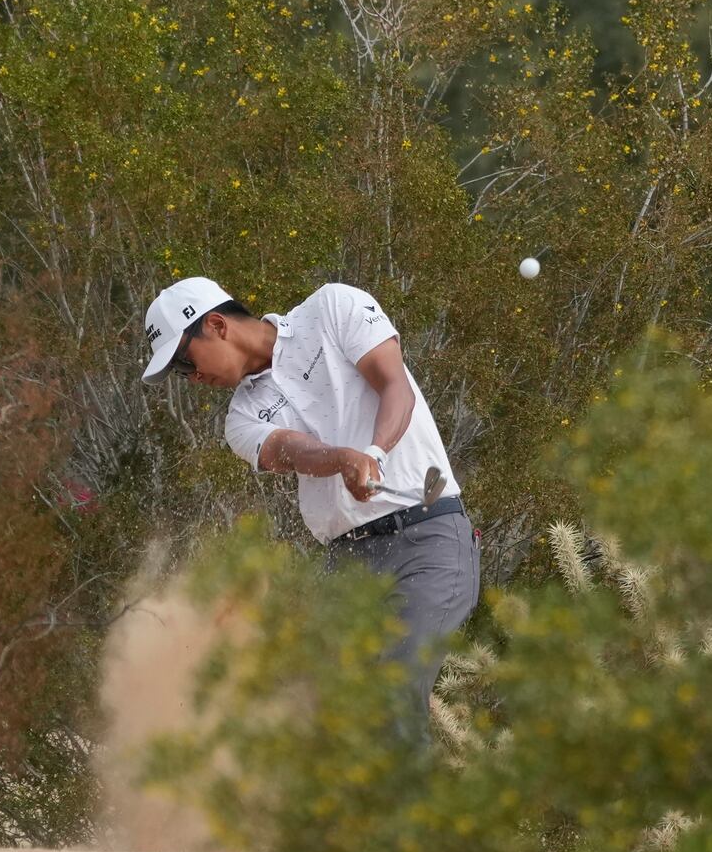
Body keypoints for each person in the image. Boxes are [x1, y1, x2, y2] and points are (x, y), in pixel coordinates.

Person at [141, 276, 480, 744]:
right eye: (180, 373)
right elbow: (294, 451)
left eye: (184, 362)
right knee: (315, 719)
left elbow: (394, 386)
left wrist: (374, 454)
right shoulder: (241, 418)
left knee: (393, 690)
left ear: (216, 325)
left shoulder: (332, 308)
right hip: (348, 565)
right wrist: (343, 459)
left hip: (429, 538)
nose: (192, 378)